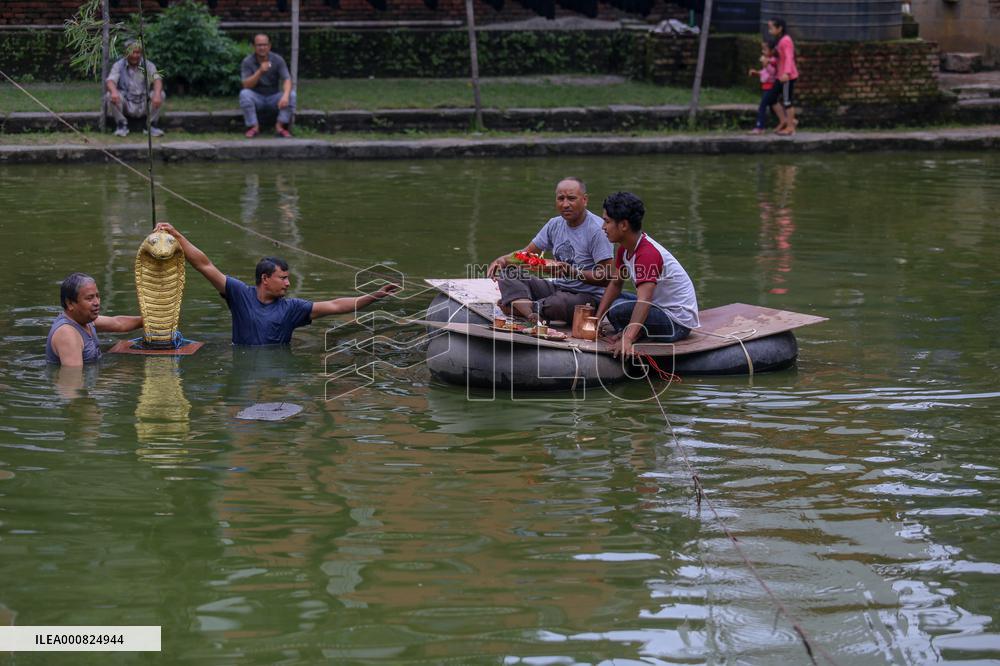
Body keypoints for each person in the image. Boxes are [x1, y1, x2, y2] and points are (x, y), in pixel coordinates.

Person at [154, 223, 398, 345]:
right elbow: (204, 265)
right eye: (283, 278)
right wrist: (177, 236)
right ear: (265, 279)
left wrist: (375, 296)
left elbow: (335, 305)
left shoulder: (292, 308)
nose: (288, 284)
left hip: (278, 371)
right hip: (244, 365)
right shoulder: (239, 294)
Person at [487, 177, 613, 324]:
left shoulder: (597, 230)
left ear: (584, 200)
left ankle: (518, 306)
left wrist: (571, 272)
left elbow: (607, 278)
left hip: (586, 296)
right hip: (557, 287)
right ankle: (531, 314)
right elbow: (527, 254)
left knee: (558, 303)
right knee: (508, 273)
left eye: (571, 199)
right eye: (561, 199)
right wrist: (503, 260)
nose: (565, 204)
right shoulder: (554, 224)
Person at [594, 192, 700, 358]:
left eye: (607, 221)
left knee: (618, 310)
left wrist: (627, 339)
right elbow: (615, 284)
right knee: (612, 300)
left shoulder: (647, 253)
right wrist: (596, 321)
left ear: (623, 225)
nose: (603, 227)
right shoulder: (624, 248)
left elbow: (644, 299)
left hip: (676, 323)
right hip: (659, 308)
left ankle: (634, 333)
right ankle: (637, 331)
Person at [46, 272, 143, 366]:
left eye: (97, 296)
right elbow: (73, 379)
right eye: (89, 298)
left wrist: (148, 320)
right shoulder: (67, 333)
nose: (96, 302)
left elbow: (118, 323)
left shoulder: (85, 320)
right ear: (70, 304)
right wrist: (115, 376)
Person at [239, 33, 295, 139]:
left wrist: (286, 95)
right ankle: (254, 127)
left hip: (273, 96)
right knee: (244, 94)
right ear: (254, 47)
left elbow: (287, 79)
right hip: (256, 96)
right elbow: (246, 85)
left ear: (269, 46)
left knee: (292, 94)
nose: (262, 48)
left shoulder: (278, 60)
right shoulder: (247, 61)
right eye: (259, 45)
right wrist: (260, 71)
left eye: (265, 45)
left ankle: (280, 127)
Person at [105, 40, 165, 138]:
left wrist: (157, 94)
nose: (135, 55)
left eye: (138, 52)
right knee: (110, 95)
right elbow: (110, 81)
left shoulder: (148, 65)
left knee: (160, 94)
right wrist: (114, 92)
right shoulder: (118, 65)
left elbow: (157, 79)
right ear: (126, 53)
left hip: (143, 101)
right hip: (126, 102)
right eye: (132, 52)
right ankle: (121, 125)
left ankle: (151, 125)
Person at [768, 17, 799, 136]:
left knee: (787, 101)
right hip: (780, 76)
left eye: (771, 28)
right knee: (772, 98)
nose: (769, 30)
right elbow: (780, 58)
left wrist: (786, 73)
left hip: (787, 76)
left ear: (779, 28)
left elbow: (789, 58)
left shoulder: (786, 40)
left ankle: (790, 127)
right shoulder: (779, 40)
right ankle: (786, 121)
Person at [748, 39, 778, 135]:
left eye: (765, 50)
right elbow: (765, 73)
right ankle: (790, 121)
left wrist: (767, 65)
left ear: (772, 51)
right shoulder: (768, 60)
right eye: (762, 49)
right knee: (774, 107)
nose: (763, 52)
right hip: (766, 86)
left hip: (771, 87)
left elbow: (773, 73)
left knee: (762, 106)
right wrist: (756, 72)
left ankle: (759, 127)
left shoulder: (773, 60)